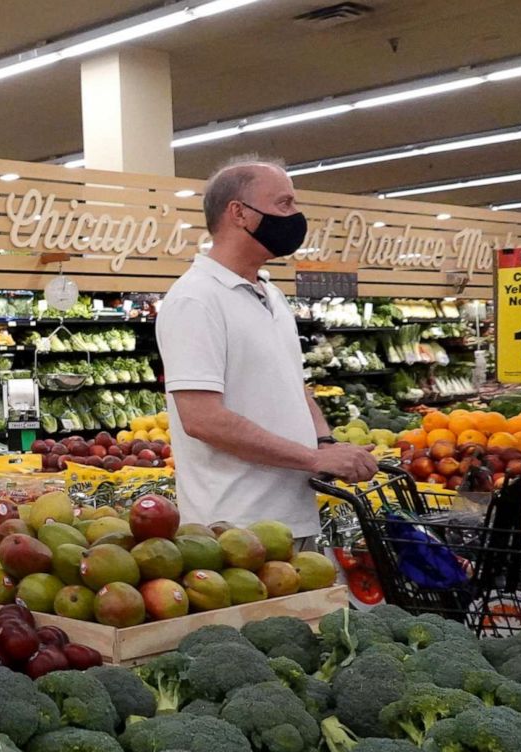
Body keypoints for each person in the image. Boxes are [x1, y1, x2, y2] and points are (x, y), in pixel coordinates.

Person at [156, 156, 377, 542]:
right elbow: (202, 419)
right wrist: (312, 457)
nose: (295, 216)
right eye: (284, 204)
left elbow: (293, 385)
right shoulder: (195, 299)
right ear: (239, 213)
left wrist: (324, 442)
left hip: (295, 513)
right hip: (236, 528)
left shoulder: (271, 294)